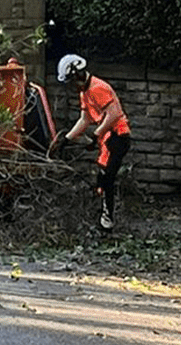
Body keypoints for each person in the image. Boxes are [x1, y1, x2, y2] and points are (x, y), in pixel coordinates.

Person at [50, 54, 131, 231]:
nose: (72, 86)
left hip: (117, 136)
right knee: (102, 177)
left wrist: (96, 134)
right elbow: (84, 119)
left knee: (106, 178)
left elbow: (114, 113)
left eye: (72, 80)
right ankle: (104, 217)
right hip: (107, 137)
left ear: (78, 74)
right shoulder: (85, 92)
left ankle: (107, 222)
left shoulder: (97, 88)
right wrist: (67, 139)